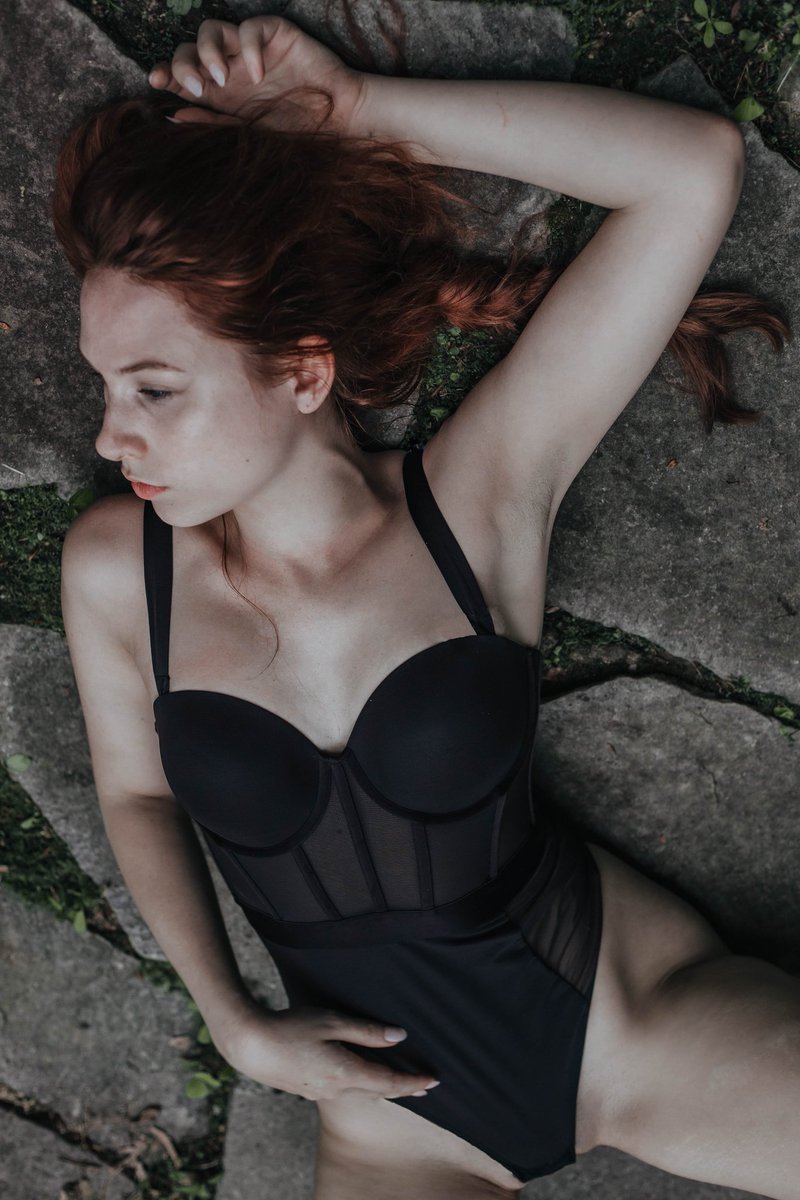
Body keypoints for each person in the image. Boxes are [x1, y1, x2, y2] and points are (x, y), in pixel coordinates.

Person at [56, 12, 798, 1200]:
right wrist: (233, 1021)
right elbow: (137, 793)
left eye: (153, 389)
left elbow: (688, 171)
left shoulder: (469, 504)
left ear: (302, 371)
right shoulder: (117, 570)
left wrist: (354, 110)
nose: (109, 436)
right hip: (395, 1131)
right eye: (106, 385)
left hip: (621, 1024)